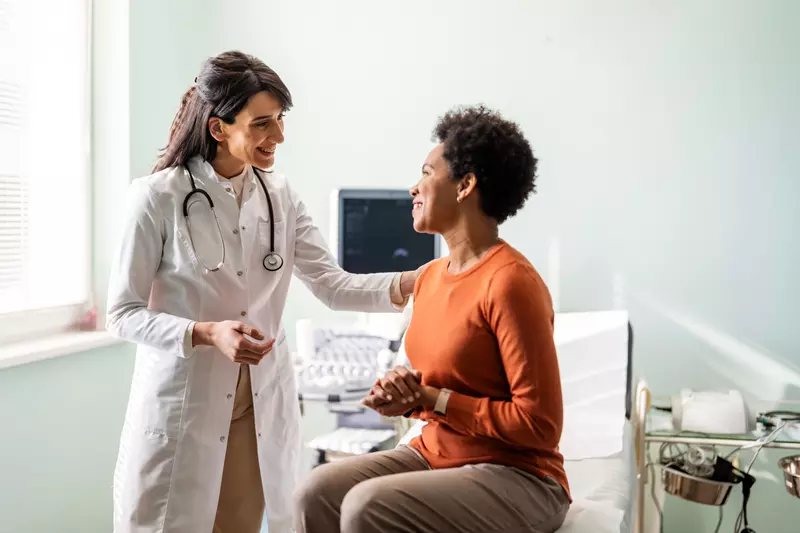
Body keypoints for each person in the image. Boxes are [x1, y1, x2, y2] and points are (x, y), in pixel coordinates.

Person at [106, 51, 423, 533]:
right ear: (218, 128)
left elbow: (334, 286)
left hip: (256, 407)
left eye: (279, 120)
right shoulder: (157, 197)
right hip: (185, 407)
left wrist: (420, 280)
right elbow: (122, 314)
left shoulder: (280, 196)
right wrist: (206, 332)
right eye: (261, 124)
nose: (278, 137)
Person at [294, 105, 571, 533]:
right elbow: (438, 378)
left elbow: (540, 426)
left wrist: (431, 400)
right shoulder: (430, 279)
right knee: (314, 492)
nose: (413, 188)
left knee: (367, 506)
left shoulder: (511, 283)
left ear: (465, 185)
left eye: (426, 172)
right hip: (436, 453)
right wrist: (402, 390)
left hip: (519, 473)